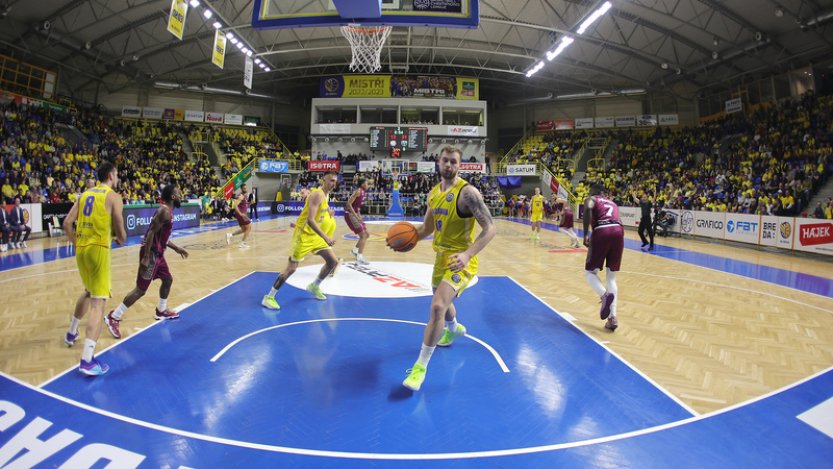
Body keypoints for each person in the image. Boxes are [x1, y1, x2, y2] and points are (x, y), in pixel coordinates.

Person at [400, 146, 496, 392]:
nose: (449, 165)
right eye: (446, 160)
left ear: (459, 165)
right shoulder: (433, 194)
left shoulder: (468, 194)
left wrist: (467, 255)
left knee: (437, 306)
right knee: (442, 301)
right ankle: (454, 329)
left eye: (454, 162)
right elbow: (426, 229)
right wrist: (405, 241)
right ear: (438, 162)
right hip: (441, 258)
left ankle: (420, 368)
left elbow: (490, 228)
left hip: (461, 260)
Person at [62, 161, 126, 376]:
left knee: (89, 291)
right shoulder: (113, 197)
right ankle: (87, 360)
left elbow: (66, 223)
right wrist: (120, 238)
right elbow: (122, 233)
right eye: (116, 174)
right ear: (110, 175)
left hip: (81, 250)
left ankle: (72, 333)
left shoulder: (85, 194)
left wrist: (76, 243)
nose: (117, 178)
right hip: (99, 250)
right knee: (98, 303)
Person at [104, 184, 188, 340]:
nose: (181, 195)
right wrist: (147, 257)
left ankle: (161, 310)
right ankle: (114, 316)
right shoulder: (164, 211)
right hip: (152, 254)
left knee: (168, 279)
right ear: (172, 196)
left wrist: (176, 248)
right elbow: (150, 233)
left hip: (158, 254)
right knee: (141, 290)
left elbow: (162, 237)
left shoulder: (168, 212)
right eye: (178, 192)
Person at [261, 171, 340, 310]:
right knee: (291, 269)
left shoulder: (326, 195)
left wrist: (329, 212)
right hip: (303, 236)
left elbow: (320, 211)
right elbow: (310, 220)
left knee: (333, 261)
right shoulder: (317, 194)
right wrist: (326, 237)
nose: (333, 183)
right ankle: (269, 297)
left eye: (335, 181)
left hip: (315, 238)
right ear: (323, 180)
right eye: (330, 180)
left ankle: (314, 286)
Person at [583, 183, 624, 332]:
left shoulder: (592, 199)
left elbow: (588, 207)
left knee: (590, 273)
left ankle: (604, 295)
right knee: (611, 278)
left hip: (602, 230)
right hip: (619, 231)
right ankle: (612, 318)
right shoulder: (612, 202)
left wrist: (586, 233)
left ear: (593, 191)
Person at [344, 178, 370, 265]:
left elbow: (357, 208)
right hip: (350, 214)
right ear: (362, 184)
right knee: (363, 235)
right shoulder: (358, 191)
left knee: (366, 234)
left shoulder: (363, 192)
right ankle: (359, 257)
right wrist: (355, 216)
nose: (368, 185)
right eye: (367, 183)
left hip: (354, 214)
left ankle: (355, 251)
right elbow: (348, 204)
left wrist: (360, 218)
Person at [226, 184, 252, 248]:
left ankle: (230, 235)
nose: (245, 189)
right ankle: (242, 243)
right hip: (242, 214)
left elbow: (243, 204)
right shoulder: (241, 196)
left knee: (243, 229)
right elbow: (235, 205)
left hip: (241, 214)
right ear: (241, 189)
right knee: (249, 227)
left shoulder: (245, 196)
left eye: (246, 188)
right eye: (244, 188)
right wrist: (240, 213)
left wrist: (249, 203)